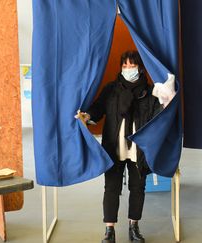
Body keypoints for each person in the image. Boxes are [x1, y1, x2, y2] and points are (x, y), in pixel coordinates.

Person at [76, 51, 162, 243]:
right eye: (125, 66)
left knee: (138, 187)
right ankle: (109, 230)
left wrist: (165, 101)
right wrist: (87, 116)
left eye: (132, 66)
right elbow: (97, 109)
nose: (128, 69)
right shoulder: (111, 90)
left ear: (140, 68)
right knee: (111, 188)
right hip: (114, 147)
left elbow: (158, 117)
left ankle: (134, 227)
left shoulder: (148, 92)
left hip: (138, 149)